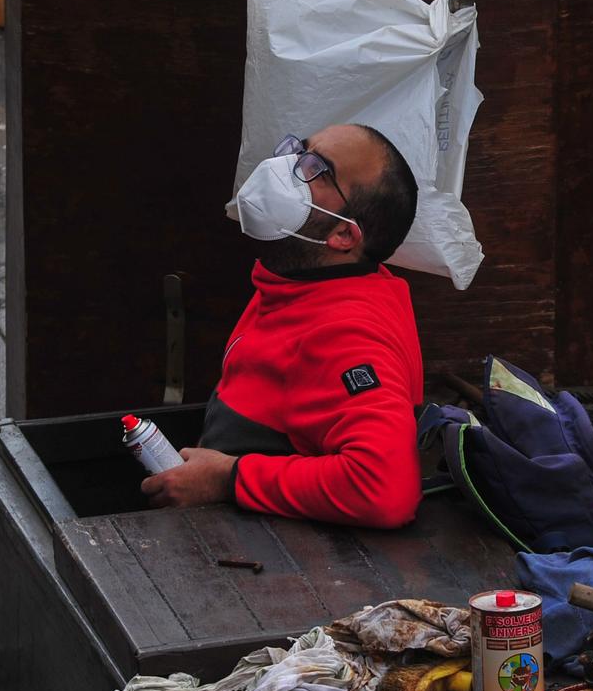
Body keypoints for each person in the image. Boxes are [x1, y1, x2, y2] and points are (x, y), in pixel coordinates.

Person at [140, 124, 425, 528]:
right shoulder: (291, 280)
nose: (287, 166)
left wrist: (227, 479)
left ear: (344, 234)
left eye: (316, 169)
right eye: (299, 149)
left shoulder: (347, 335)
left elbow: (386, 490)